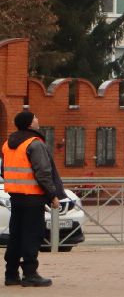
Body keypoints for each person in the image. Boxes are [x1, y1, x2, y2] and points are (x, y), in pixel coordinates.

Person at [4, 110, 65, 288]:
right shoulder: (34, 143)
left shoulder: (8, 144)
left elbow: (4, 170)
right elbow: (43, 172)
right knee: (32, 235)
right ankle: (30, 274)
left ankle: (11, 274)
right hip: (33, 197)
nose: (38, 119)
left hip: (15, 196)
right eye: (36, 117)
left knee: (16, 235)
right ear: (30, 124)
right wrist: (52, 195)